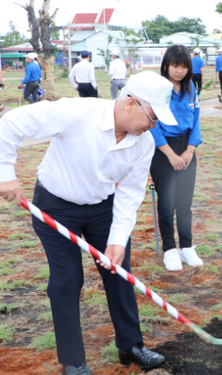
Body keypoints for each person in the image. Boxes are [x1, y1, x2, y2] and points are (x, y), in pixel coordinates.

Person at [0, 71, 176, 375]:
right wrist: (5, 173)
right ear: (131, 103)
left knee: (118, 271)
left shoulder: (143, 142)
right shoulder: (77, 112)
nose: (154, 125)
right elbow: (10, 124)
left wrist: (118, 238)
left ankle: (131, 346)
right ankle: (74, 361)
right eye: (152, 116)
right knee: (68, 280)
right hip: (55, 205)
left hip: (103, 207)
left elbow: (131, 191)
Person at [149, 45, 204, 271]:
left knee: (184, 203)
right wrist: (171, 155)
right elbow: (152, 124)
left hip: (187, 148)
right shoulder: (157, 89)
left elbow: (197, 119)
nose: (179, 71)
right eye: (175, 65)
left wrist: (190, 150)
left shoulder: (191, 87)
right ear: (166, 66)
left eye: (183, 66)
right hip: (164, 152)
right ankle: (170, 250)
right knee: (167, 203)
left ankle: (187, 247)